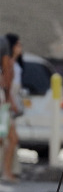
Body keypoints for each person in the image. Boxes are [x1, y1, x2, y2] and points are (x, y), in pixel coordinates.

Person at [1, 33, 23, 182]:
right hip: (4, 103)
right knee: (11, 138)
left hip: (5, 103)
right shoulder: (8, 61)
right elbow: (6, 82)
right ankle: (6, 172)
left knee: (6, 139)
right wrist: (11, 103)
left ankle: (7, 171)